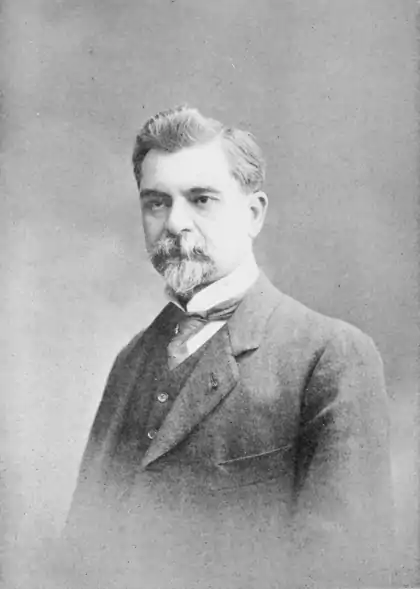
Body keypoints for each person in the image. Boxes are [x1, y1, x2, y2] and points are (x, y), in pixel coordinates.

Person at [64, 106, 395, 588]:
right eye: (156, 203)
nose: (175, 222)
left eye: (201, 199)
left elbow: (347, 571)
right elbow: (77, 555)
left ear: (253, 213)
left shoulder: (331, 355)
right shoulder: (130, 361)